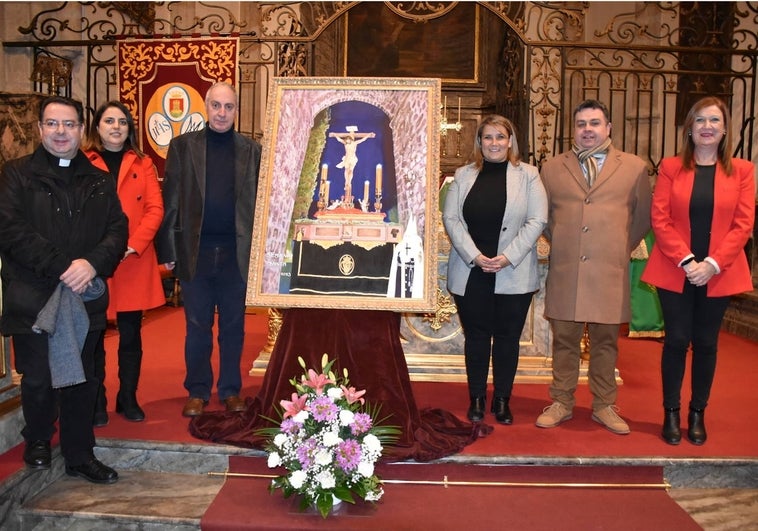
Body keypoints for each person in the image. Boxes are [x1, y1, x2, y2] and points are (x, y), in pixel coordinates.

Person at [0, 96, 128, 483]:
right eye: (53, 124)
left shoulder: (98, 178)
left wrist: (90, 264)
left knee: (83, 379)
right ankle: (38, 437)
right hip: (34, 295)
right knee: (37, 377)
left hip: (83, 295)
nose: (61, 132)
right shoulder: (16, 174)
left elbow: (117, 231)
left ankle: (79, 454)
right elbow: (10, 230)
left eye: (69, 124)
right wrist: (62, 267)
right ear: (40, 129)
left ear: (80, 130)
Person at [641, 96, 755, 446]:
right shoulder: (672, 168)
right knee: (676, 340)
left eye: (714, 121)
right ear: (689, 128)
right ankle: (671, 412)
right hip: (677, 268)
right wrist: (689, 262)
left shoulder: (743, 171)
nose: (707, 126)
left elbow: (743, 223)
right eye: (700, 120)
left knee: (706, 343)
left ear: (723, 130)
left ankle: (697, 412)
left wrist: (713, 264)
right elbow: (659, 218)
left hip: (720, 270)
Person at [537, 99, 652, 435]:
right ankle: (561, 401)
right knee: (564, 342)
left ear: (608, 128)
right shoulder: (553, 167)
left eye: (595, 123)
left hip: (608, 271)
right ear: (574, 129)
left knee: (605, 344)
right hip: (567, 269)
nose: (588, 130)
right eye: (581, 123)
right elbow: (545, 219)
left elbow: (642, 218)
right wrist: (568, 241)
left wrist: (614, 247)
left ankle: (604, 405)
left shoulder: (632, 167)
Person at [156, 82, 261, 417]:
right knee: (197, 326)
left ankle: (231, 390)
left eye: (228, 107)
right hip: (195, 251)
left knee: (233, 327)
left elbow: (261, 204)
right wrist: (168, 248)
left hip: (236, 253)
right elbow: (170, 200)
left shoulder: (252, 151)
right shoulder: (183, 147)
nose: (221, 113)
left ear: (236, 110)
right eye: (216, 106)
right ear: (205, 107)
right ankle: (198, 390)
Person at [442, 115, 547, 424]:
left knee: (506, 338)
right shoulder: (462, 175)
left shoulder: (529, 175)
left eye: (500, 137)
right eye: (488, 138)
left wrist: (507, 256)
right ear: (480, 142)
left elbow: (537, 220)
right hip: (470, 270)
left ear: (510, 141)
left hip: (512, 272)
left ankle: (502, 400)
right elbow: (451, 220)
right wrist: (475, 255)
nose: (494, 143)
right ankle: (476, 398)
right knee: (475, 338)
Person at [83, 101, 166, 425]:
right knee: (96, 332)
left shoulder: (143, 163)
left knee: (131, 334)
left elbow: (155, 209)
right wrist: (99, 250)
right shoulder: (83, 161)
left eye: (122, 122)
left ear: (129, 129)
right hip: (96, 263)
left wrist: (134, 245)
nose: (116, 127)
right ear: (98, 127)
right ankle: (97, 399)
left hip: (133, 260)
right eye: (109, 121)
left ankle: (128, 397)